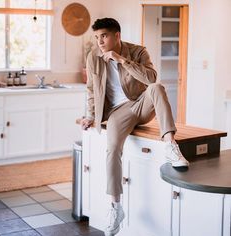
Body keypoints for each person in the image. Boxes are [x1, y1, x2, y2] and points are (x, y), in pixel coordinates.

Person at [81, 17, 189, 236]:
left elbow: (151, 78)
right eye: (97, 37)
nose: (100, 42)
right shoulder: (93, 57)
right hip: (117, 113)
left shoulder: (138, 51)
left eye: (104, 36)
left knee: (157, 88)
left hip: (141, 104)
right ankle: (115, 207)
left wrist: (121, 60)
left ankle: (170, 145)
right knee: (112, 150)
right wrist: (90, 116)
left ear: (116, 35)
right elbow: (91, 89)